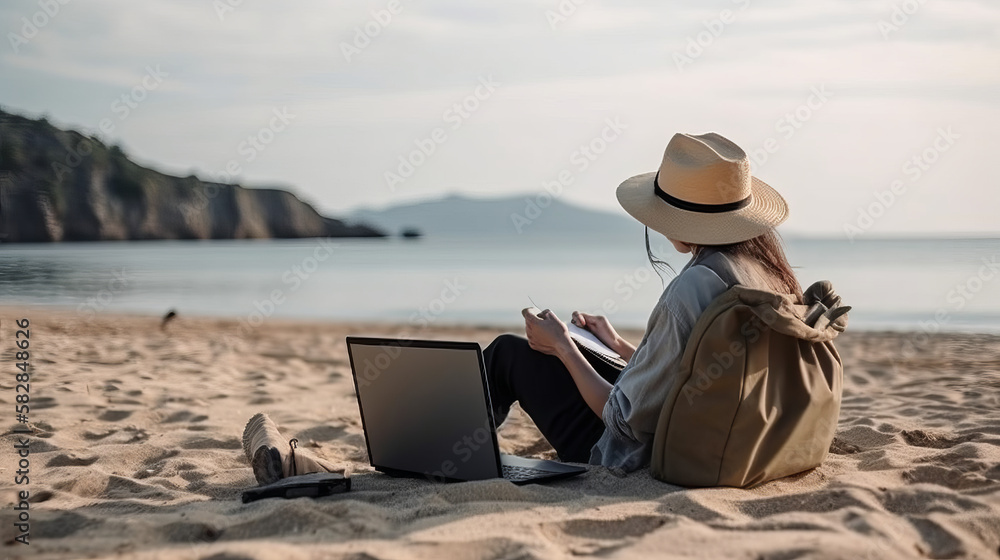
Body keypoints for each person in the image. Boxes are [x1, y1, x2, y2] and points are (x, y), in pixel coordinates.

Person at [482, 131, 801, 472]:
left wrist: (563, 345)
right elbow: (697, 374)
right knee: (581, 357)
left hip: (633, 454)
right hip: (717, 434)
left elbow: (622, 420)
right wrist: (618, 345)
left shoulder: (693, 287)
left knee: (509, 354)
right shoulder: (764, 274)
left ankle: (451, 455)